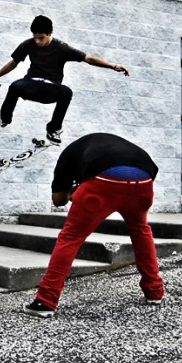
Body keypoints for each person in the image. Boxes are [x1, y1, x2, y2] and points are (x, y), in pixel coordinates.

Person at [23, 132, 164, 318]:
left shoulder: (67, 156)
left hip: (104, 181)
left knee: (71, 237)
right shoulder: (98, 146)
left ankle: (45, 301)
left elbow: (58, 200)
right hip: (144, 177)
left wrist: (74, 192)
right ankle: (154, 291)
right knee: (140, 228)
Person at [0, 15, 129, 144]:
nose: (37, 41)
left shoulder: (61, 48)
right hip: (30, 84)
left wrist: (113, 66)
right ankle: (4, 118)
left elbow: (88, 59)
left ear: (50, 33)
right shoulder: (28, 44)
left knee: (66, 92)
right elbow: (13, 63)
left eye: (41, 38)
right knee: (15, 85)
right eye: (35, 37)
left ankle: (53, 129)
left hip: (50, 89)